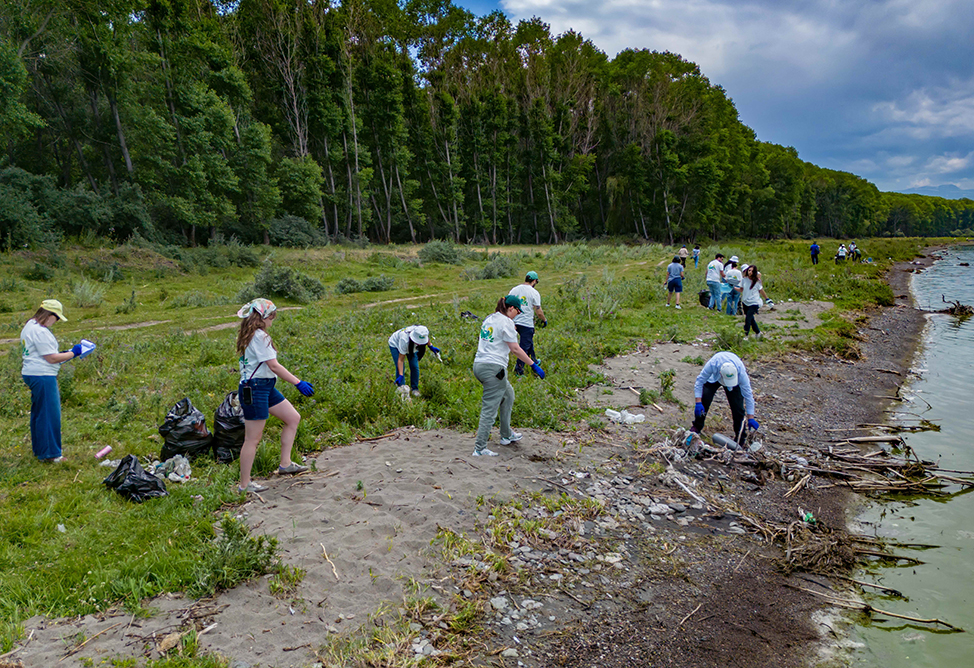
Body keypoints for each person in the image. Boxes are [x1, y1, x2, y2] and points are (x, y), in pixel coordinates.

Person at [236, 298, 314, 493]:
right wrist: (298, 382)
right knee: (252, 439)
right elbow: (274, 366)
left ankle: (285, 464)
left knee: (293, 418)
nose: (273, 321)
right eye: (272, 317)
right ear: (263, 317)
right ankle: (244, 485)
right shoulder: (260, 336)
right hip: (255, 388)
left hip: (265, 386)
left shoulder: (252, 334)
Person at [20, 300, 93, 462]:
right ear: (49, 315)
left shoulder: (29, 326)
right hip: (43, 375)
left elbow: (47, 355)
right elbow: (52, 358)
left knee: (39, 413)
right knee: (49, 414)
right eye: (57, 318)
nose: (57, 321)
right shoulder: (41, 332)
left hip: (33, 372)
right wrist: (76, 352)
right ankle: (51, 455)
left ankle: (40, 450)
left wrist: (67, 354)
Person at [472, 295, 545, 457]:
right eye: (518, 311)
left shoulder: (490, 319)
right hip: (494, 369)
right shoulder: (506, 322)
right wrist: (533, 365)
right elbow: (515, 349)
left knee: (508, 394)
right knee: (489, 409)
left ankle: (506, 435)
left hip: (479, 365)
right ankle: (480, 448)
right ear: (510, 308)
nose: (518, 315)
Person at [691, 351, 759, 447]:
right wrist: (698, 402)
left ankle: (740, 438)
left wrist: (751, 418)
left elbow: (748, 396)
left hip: (734, 382)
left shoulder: (741, 373)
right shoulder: (713, 364)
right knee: (705, 398)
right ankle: (697, 427)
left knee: (738, 408)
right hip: (714, 378)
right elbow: (699, 381)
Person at [508, 271, 547, 376]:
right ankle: (518, 370)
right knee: (524, 347)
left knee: (528, 342)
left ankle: (534, 359)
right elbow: (538, 311)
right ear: (534, 281)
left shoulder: (514, 290)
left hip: (513, 321)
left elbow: (507, 304)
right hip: (526, 323)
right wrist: (544, 320)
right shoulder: (534, 293)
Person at [388, 325, 439, 397]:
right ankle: (402, 390)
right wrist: (400, 375)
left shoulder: (421, 332)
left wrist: (431, 346)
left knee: (414, 366)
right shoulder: (404, 340)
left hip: (411, 346)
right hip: (395, 344)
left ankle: (415, 389)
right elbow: (401, 360)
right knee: (400, 367)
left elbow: (426, 339)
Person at [738, 264, 772, 339]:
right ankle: (758, 332)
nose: (750, 272)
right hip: (745, 302)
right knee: (751, 318)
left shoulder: (757, 281)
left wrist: (767, 299)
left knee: (748, 318)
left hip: (754, 302)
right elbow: (741, 289)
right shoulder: (744, 280)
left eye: (752, 271)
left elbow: (761, 290)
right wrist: (732, 287)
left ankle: (745, 335)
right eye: (749, 270)